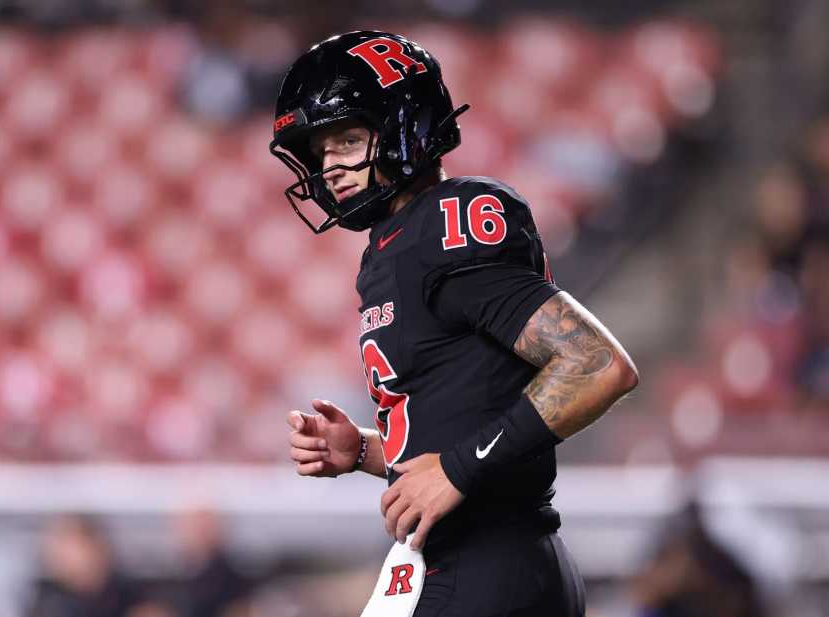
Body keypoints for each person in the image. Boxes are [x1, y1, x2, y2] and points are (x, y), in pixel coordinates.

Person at [270, 31, 638, 617]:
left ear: (404, 128)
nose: (330, 166)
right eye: (321, 152)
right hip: (475, 560)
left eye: (348, 140)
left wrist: (457, 469)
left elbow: (596, 365)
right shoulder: (395, 244)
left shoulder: (446, 225)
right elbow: (466, 416)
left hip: (488, 561)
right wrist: (364, 450)